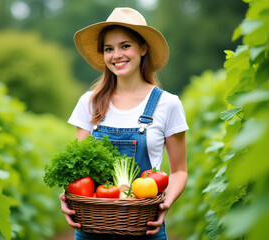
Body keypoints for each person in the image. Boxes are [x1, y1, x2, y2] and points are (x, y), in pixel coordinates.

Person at [60, 7, 188, 240]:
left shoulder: (168, 104)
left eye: (125, 46)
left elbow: (179, 170)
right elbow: (80, 170)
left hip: (146, 228)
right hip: (93, 229)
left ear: (143, 48)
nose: (116, 55)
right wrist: (68, 198)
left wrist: (164, 205)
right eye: (109, 49)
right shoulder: (89, 102)